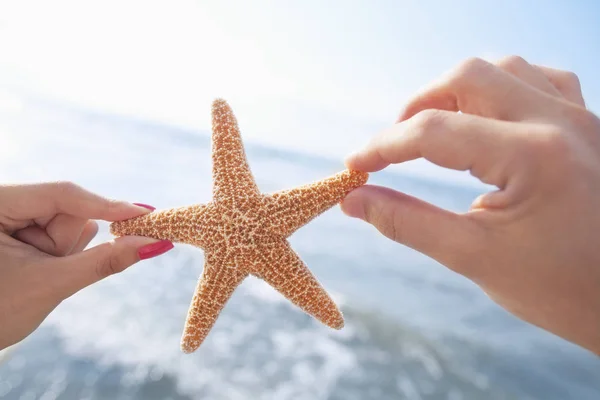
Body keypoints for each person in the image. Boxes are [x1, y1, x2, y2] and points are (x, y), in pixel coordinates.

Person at [1, 56, 599, 355]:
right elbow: (326, 188)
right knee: (229, 308)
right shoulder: (246, 208)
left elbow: (325, 187)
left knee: (208, 314)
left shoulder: (224, 209)